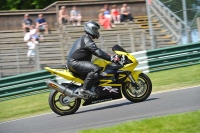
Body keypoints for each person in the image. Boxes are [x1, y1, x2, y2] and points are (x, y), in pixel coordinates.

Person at [67, 21, 119, 97]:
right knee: (95, 69)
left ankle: (90, 87)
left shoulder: (86, 39)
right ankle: (85, 90)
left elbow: (97, 51)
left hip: (75, 62)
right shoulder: (87, 40)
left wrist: (108, 56)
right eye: (95, 30)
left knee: (96, 70)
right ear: (90, 29)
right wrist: (111, 58)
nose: (97, 32)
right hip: (76, 63)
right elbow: (96, 51)